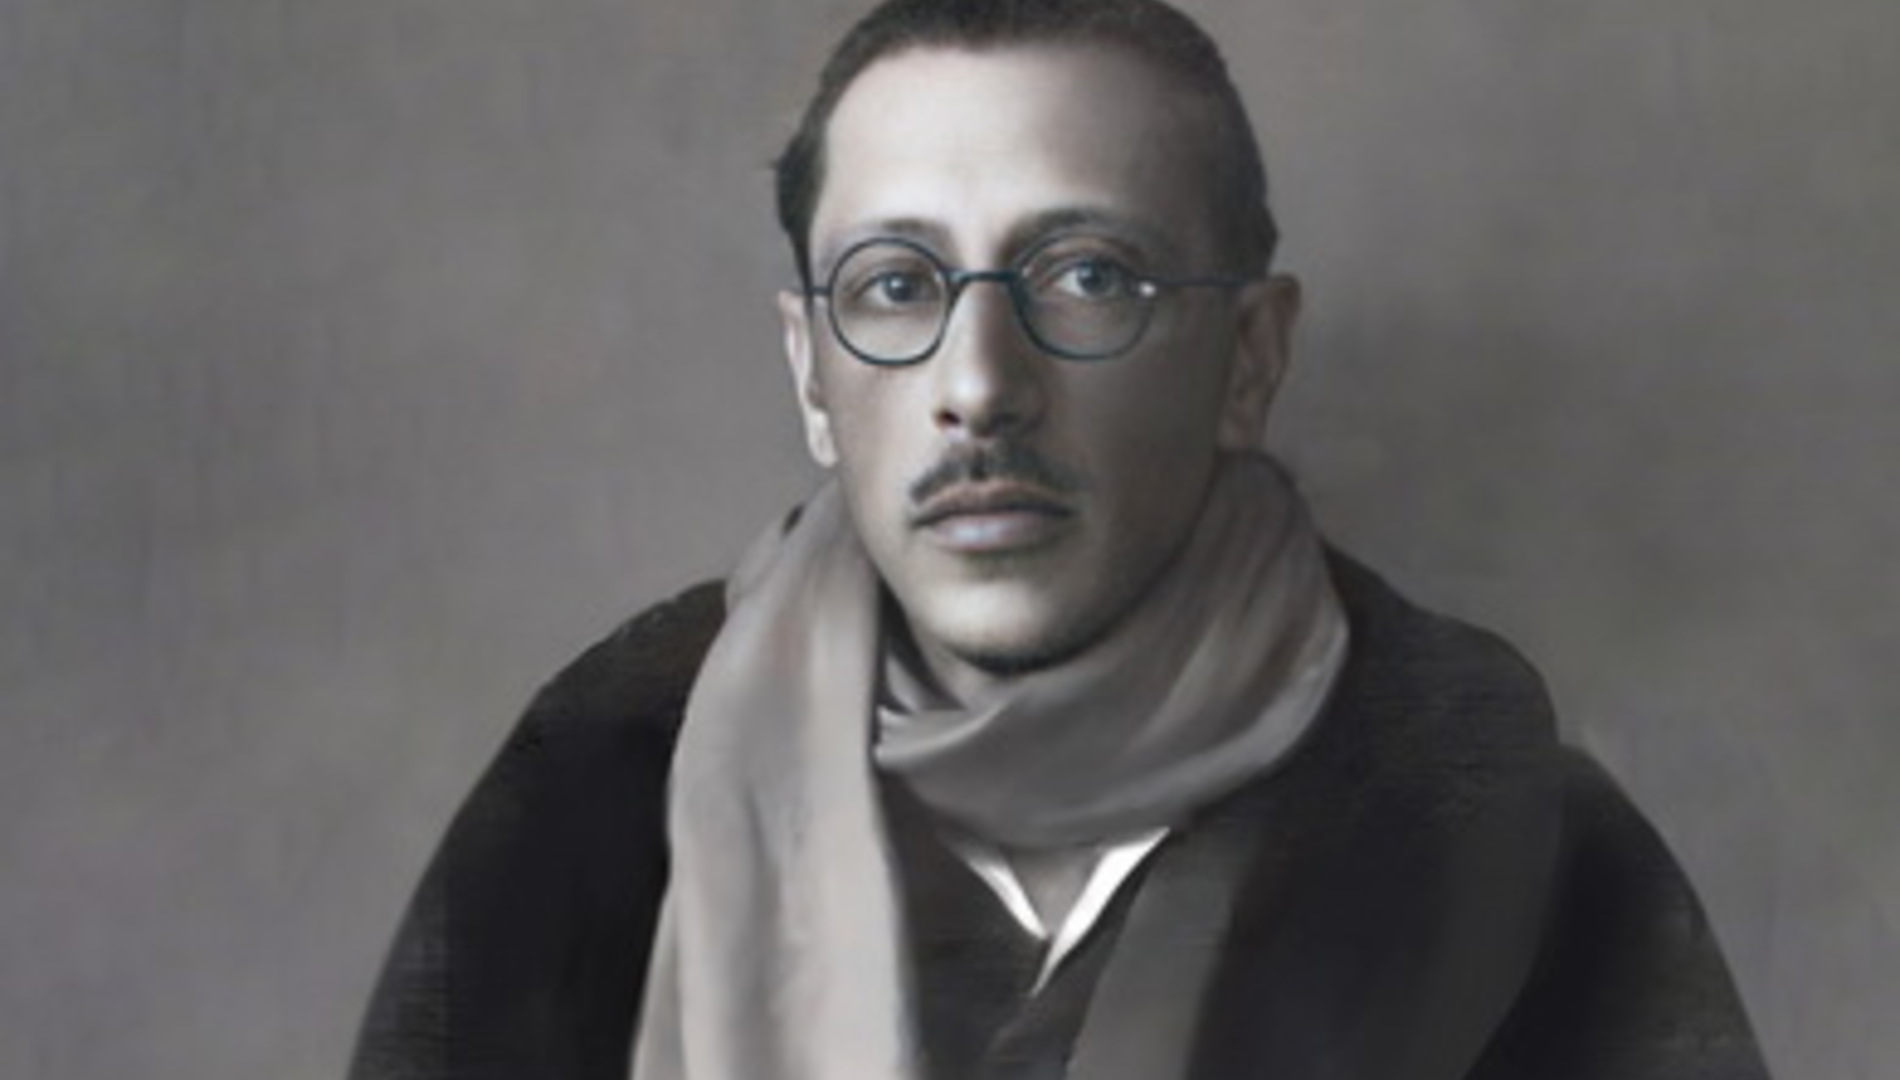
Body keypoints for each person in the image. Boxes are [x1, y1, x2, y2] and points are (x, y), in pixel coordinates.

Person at [350, 2, 1771, 1078]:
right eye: (897, 285)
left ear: (1250, 360)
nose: (980, 385)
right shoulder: (592, 805)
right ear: (810, 377)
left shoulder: (1518, 846)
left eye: (1088, 274)